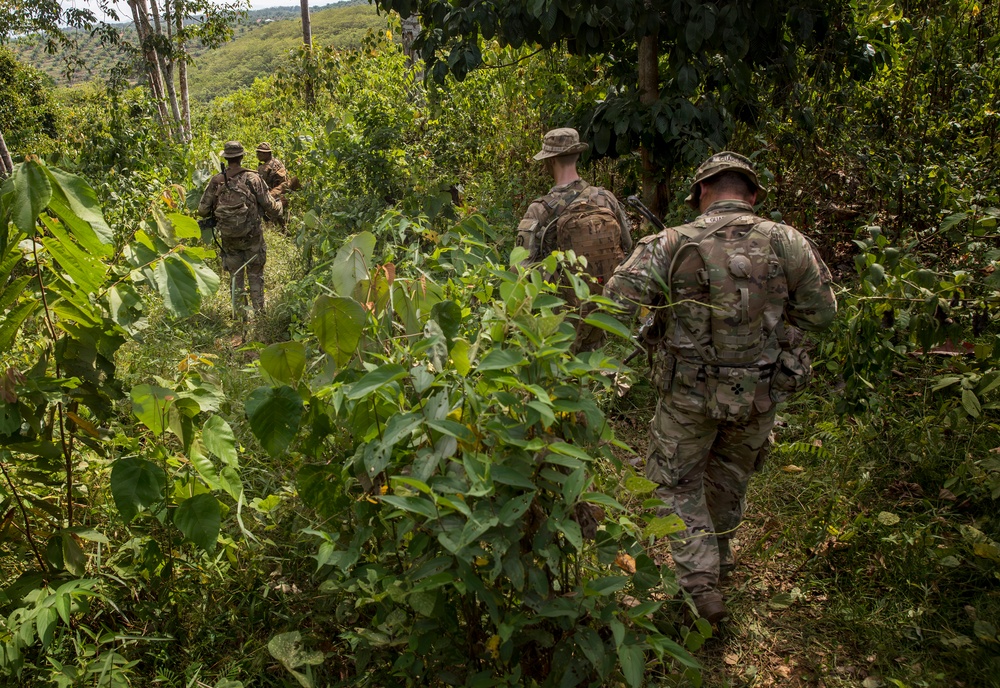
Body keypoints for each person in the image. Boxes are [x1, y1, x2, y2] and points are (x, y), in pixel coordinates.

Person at [603, 152, 837, 624]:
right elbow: (822, 314)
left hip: (687, 393)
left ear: (702, 193)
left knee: (672, 481)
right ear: (752, 195)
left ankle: (700, 582)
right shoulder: (789, 242)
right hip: (760, 390)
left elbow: (611, 305)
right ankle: (718, 559)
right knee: (730, 472)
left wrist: (659, 314)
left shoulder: (668, 242)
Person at [515, 127, 634, 350]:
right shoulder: (606, 199)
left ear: (549, 161)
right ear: (578, 155)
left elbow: (520, 270)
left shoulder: (540, 210)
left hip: (560, 314)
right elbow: (627, 247)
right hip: (602, 305)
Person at [198, 140, 283, 317]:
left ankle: (239, 317)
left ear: (226, 158)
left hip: (229, 238)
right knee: (255, 273)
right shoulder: (253, 178)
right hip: (252, 237)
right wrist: (280, 205)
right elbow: (270, 207)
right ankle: (260, 315)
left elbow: (202, 210)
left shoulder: (217, 180)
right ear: (242, 156)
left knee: (235, 276)